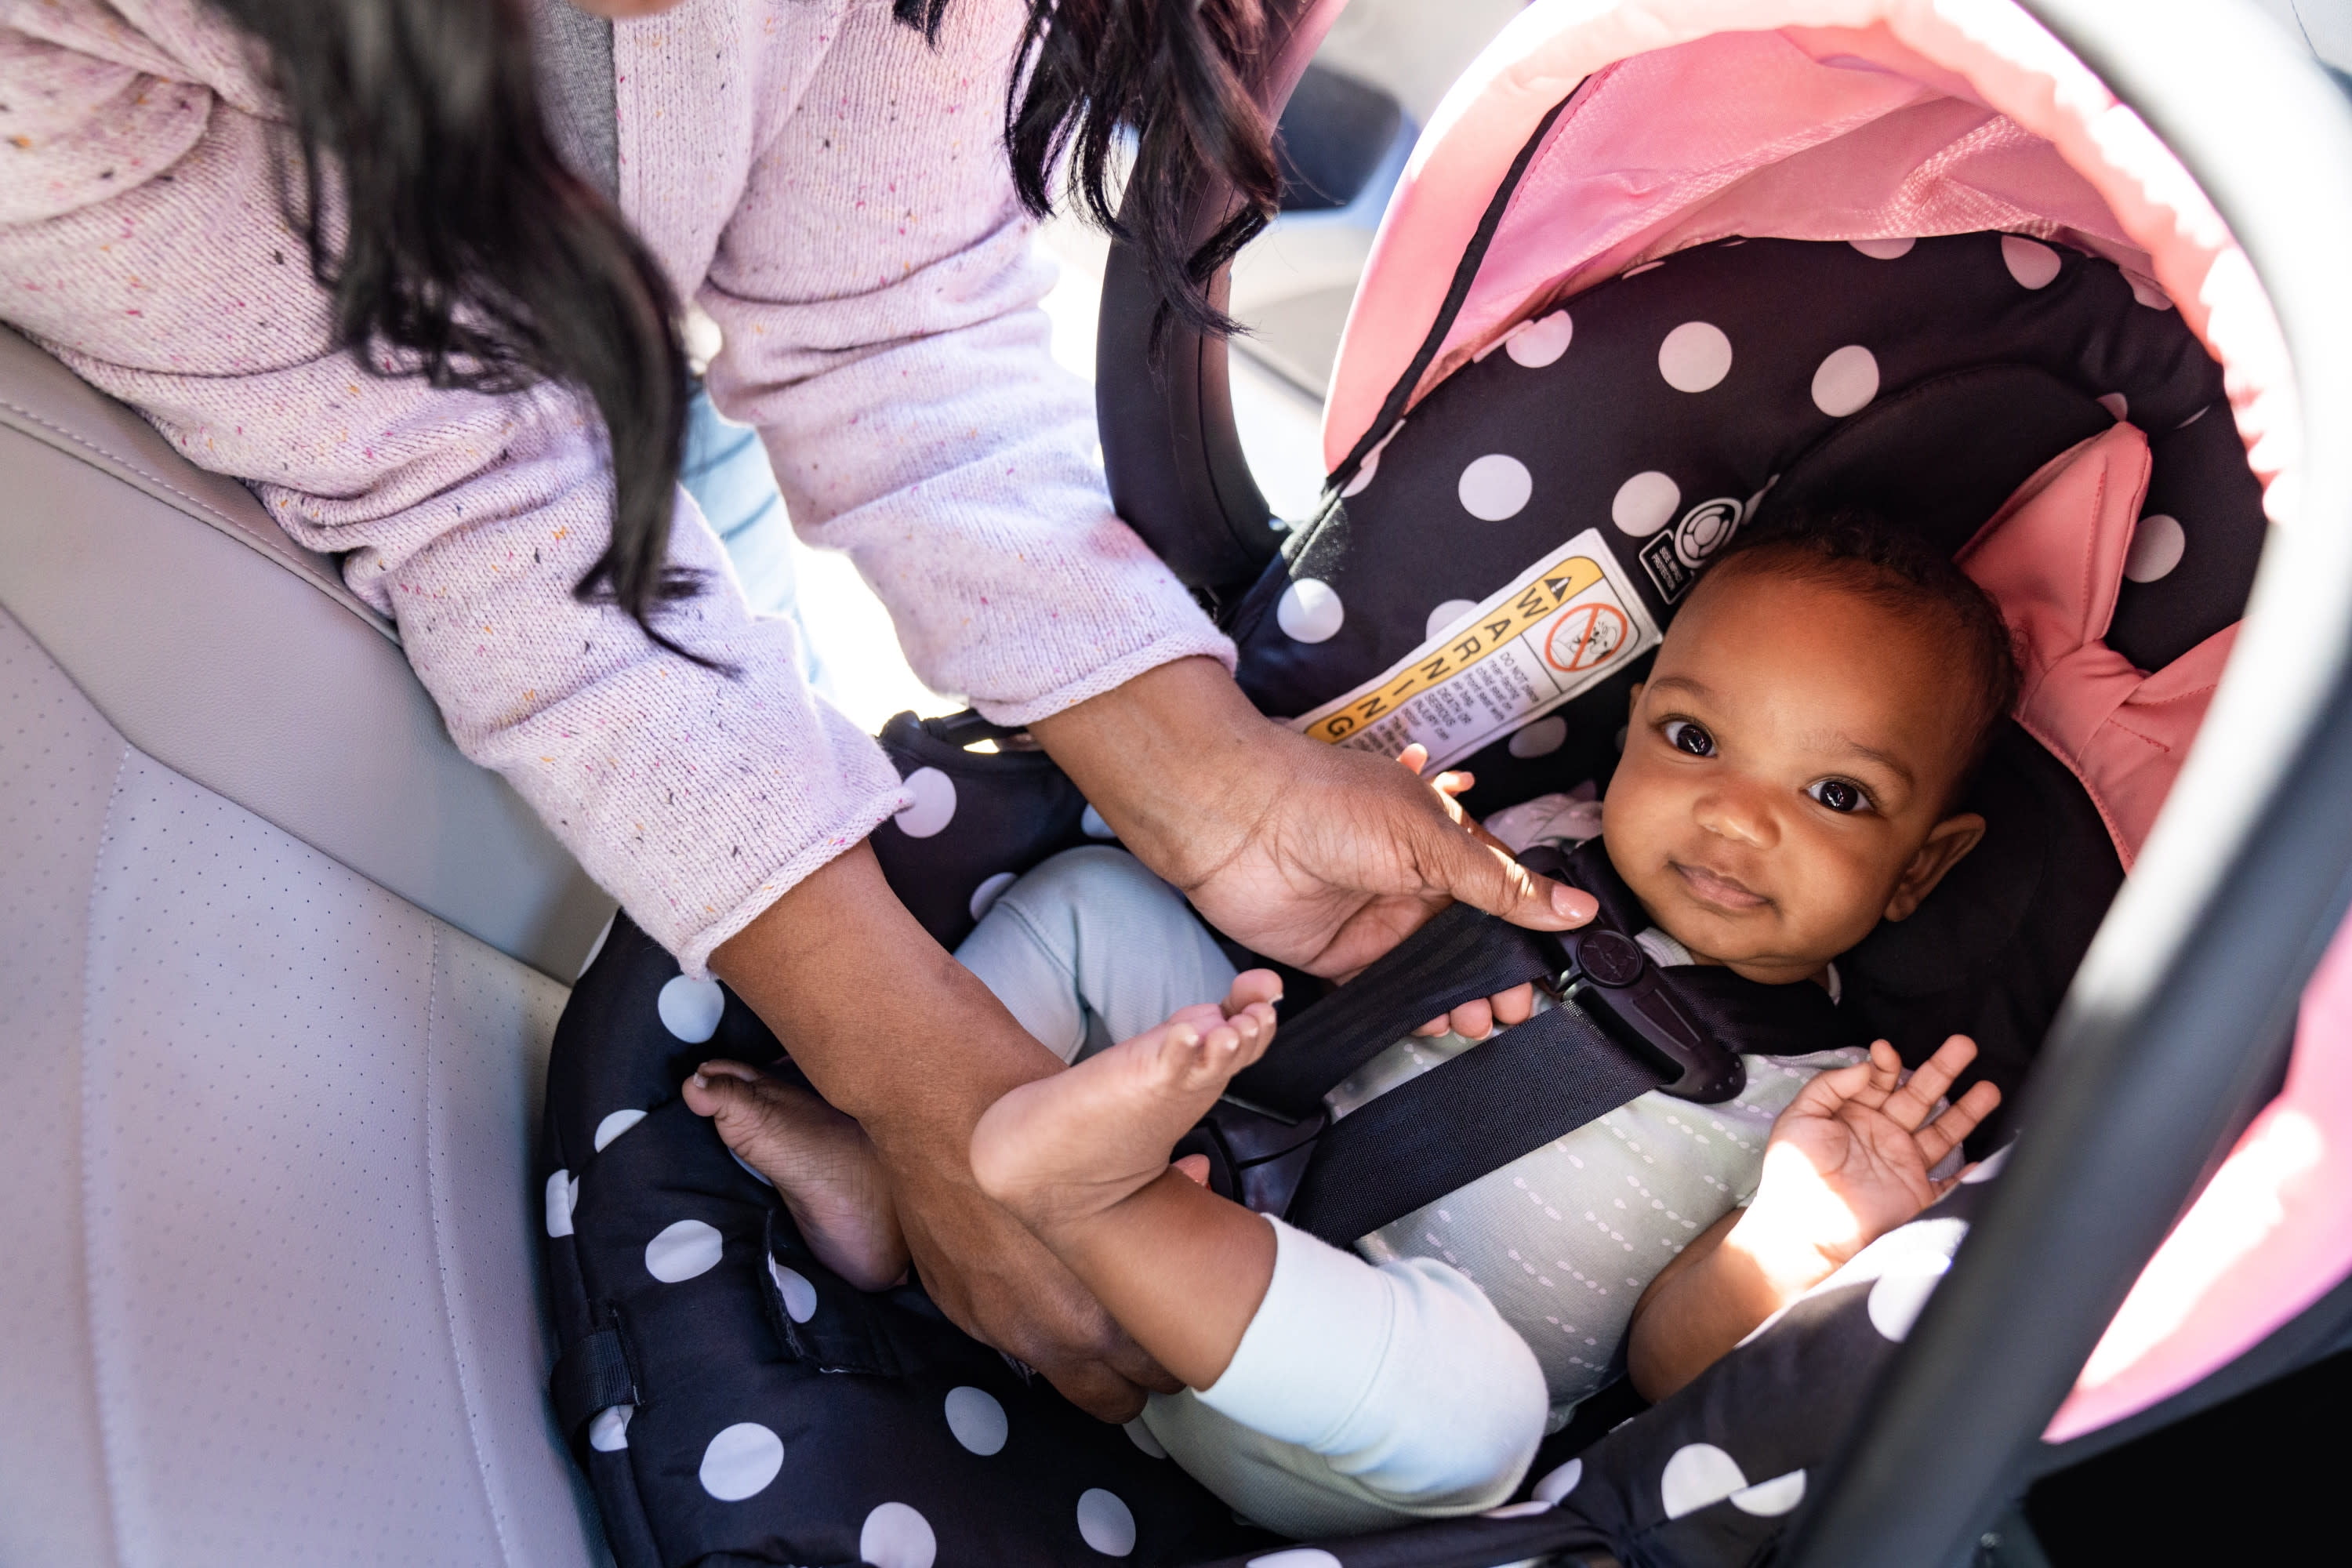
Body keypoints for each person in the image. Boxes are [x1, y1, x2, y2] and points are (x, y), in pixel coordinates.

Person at [0, 0, 1588, 1419]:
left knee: (758, 640)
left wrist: (1209, 782)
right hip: (422, 414)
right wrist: (916, 1075)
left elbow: (884, 314)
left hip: (618, 337)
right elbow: (481, 507)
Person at [684, 511, 2015, 1534]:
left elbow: (1673, 1367)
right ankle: (906, 1167)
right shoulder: (1539, 846)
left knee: (1487, 1419)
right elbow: (1351, 969)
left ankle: (1081, 1202)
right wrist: (1430, 933)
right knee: (1096, 904)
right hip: (1242, 1155)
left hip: (1339, 1407)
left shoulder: (1835, 1105)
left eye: (1836, 796)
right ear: (1633, 722)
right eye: (1695, 739)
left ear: (1923, 866)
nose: (1735, 816)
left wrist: (1794, 1235)